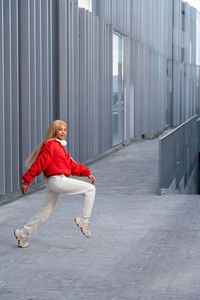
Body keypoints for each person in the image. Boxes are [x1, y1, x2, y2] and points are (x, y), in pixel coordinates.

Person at [14, 120, 96, 248]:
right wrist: (27, 180)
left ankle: (23, 234)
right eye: (60, 129)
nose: (63, 132)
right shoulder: (51, 145)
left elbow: (71, 165)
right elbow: (39, 164)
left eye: (65, 130)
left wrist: (86, 172)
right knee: (90, 189)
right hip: (58, 181)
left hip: (54, 183)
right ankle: (84, 221)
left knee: (46, 211)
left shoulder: (59, 147)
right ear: (54, 131)